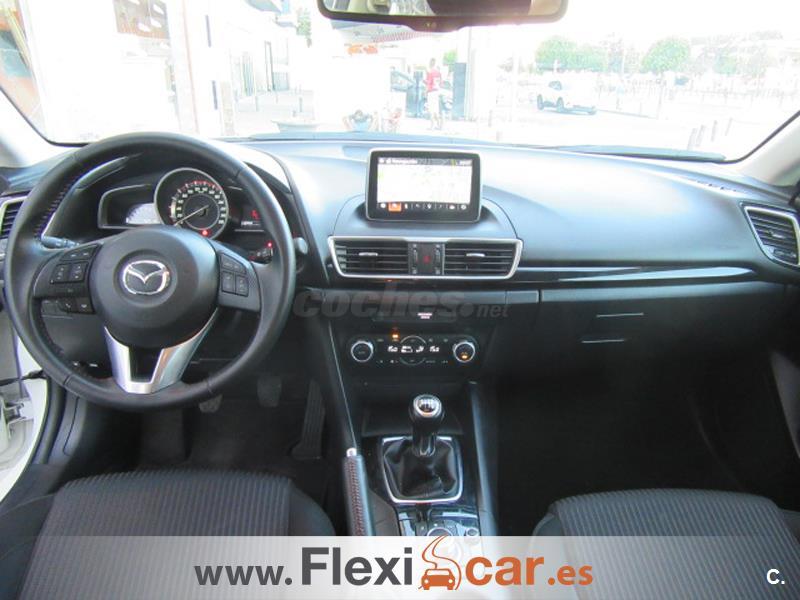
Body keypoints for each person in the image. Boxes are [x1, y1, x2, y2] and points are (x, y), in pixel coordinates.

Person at [425, 58, 443, 130]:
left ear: (430, 63)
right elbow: (441, 83)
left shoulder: (430, 72)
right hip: (436, 91)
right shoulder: (438, 72)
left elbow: (428, 83)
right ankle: (439, 125)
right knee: (436, 109)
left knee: (431, 109)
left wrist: (425, 91)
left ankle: (432, 125)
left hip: (431, 92)